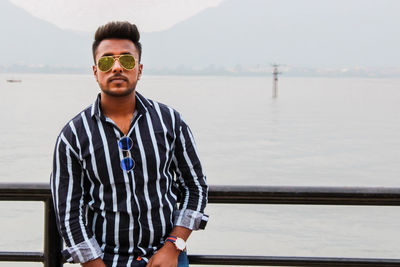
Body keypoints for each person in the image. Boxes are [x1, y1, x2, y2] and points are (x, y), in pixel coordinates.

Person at [51, 21, 208, 267]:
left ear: (139, 69)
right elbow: (68, 212)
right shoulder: (73, 135)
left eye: (126, 60)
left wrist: (173, 246)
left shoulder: (170, 122)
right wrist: (94, 264)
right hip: (105, 260)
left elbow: (195, 186)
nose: (116, 67)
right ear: (95, 71)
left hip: (168, 258)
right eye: (106, 61)